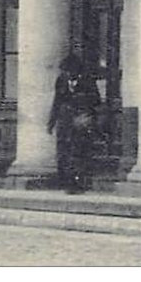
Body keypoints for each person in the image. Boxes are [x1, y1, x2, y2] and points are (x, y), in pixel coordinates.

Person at [47, 55, 102, 193]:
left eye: (69, 71)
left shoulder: (87, 80)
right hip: (65, 120)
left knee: (79, 152)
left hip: (81, 119)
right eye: (65, 71)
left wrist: (83, 105)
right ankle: (66, 182)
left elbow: (96, 100)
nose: (67, 74)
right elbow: (57, 100)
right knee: (64, 152)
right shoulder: (61, 80)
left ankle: (79, 183)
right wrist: (51, 122)